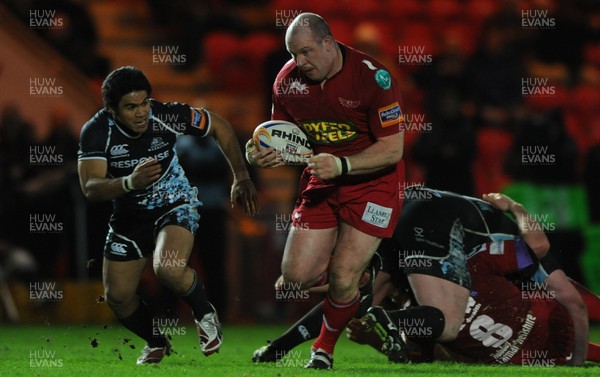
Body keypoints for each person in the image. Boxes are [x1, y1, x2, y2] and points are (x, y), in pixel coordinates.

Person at [252, 188, 596, 366]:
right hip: (438, 222)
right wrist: (515, 207)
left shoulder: (487, 266)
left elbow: (432, 352)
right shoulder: (511, 257)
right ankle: (385, 318)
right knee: (445, 320)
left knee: (353, 293)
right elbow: (543, 252)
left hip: (402, 209)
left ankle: (277, 349)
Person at [247, 12, 405, 369]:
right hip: (323, 181)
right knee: (295, 278)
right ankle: (360, 274)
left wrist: (344, 165)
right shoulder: (287, 81)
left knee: (343, 277)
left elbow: (393, 149)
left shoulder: (374, 78)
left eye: (305, 52)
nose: (299, 62)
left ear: (328, 43)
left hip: (373, 185)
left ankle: (323, 350)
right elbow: (283, 137)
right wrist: (264, 153)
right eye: (293, 54)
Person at [77, 66, 259, 365]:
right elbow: (90, 187)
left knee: (168, 268)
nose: (141, 113)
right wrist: (129, 182)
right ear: (111, 110)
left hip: (175, 204)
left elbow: (220, 126)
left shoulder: (167, 115)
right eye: (131, 107)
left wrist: (240, 175)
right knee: (118, 298)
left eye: (145, 102)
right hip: (129, 216)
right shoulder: (96, 132)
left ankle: (204, 312)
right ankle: (156, 341)